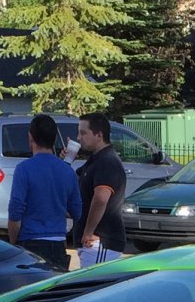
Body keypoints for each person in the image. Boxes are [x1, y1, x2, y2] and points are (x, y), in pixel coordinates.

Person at [7, 113, 81, 271]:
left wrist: (13, 243)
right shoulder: (68, 172)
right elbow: (77, 211)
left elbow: (15, 211)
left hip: (30, 242)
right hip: (58, 243)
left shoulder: (24, 169)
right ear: (54, 140)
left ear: (30, 137)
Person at [73, 112, 128, 265]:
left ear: (99, 135)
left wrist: (89, 231)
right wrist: (67, 159)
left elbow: (101, 198)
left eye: (83, 133)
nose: (78, 138)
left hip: (101, 242)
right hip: (93, 243)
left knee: (95, 287)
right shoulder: (95, 161)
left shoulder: (107, 162)